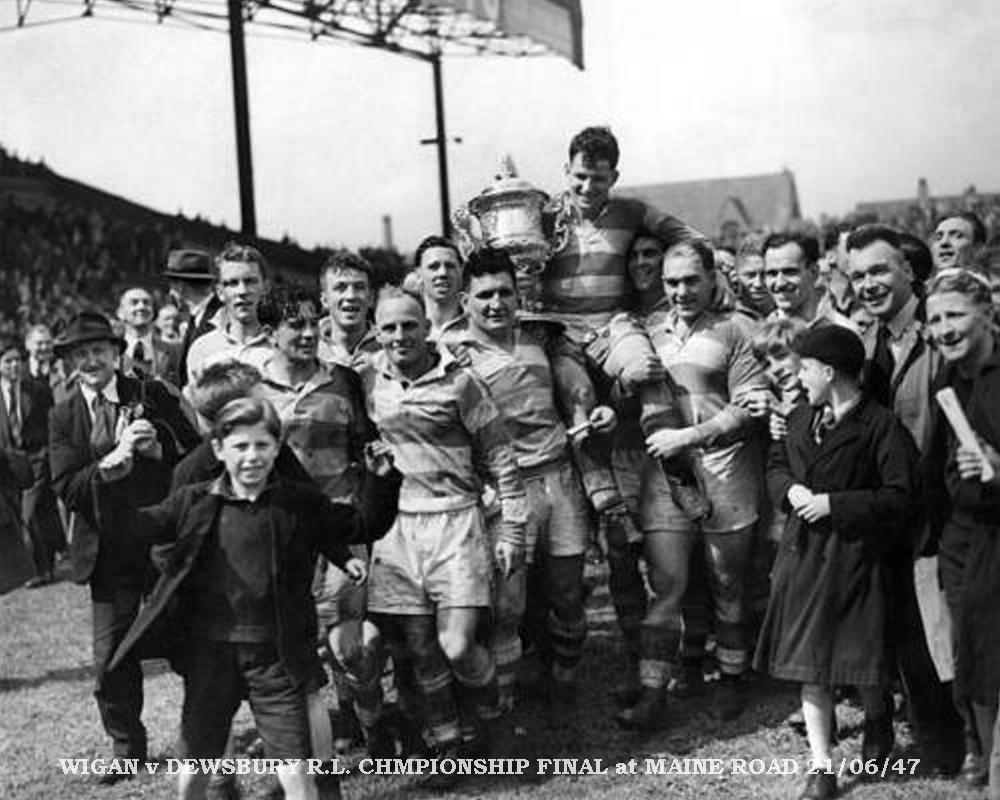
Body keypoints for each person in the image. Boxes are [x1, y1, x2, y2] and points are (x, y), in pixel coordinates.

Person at [110, 397, 369, 800]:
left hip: (275, 657)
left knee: (297, 770)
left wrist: (384, 481)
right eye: (240, 447)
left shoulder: (295, 501)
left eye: (262, 446)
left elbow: (352, 525)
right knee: (196, 765)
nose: (252, 457)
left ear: (277, 448)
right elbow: (134, 527)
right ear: (218, 449)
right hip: (211, 655)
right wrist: (116, 480)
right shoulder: (194, 498)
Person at [439, 248, 617, 709]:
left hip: (559, 479)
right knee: (508, 607)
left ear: (519, 297)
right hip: (504, 491)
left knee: (568, 595)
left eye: (505, 293)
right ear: (464, 300)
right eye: (484, 296)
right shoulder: (453, 355)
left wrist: (594, 413)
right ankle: (505, 705)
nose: (496, 303)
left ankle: (564, 683)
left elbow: (576, 394)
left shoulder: (540, 337)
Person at [359, 286, 527, 771]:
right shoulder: (369, 380)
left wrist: (511, 528)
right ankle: (447, 743)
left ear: (426, 326)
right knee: (418, 646)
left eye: (409, 324)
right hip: (396, 525)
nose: (399, 336)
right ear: (376, 331)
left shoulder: (461, 381)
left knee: (457, 644)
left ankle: (495, 716)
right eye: (388, 327)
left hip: (456, 519)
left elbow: (499, 454)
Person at [755, 325, 920, 800]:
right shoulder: (800, 417)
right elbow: (776, 464)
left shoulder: (880, 426)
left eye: (804, 367)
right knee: (812, 667)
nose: (797, 376)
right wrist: (790, 490)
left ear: (828, 372)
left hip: (855, 560)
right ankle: (822, 768)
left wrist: (835, 505)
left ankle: (877, 719)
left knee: (860, 662)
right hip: (804, 559)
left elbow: (899, 495)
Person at [619, 239, 769, 729]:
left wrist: (691, 434)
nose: (680, 291)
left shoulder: (736, 329)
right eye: (670, 282)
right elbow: (627, 394)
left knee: (727, 583)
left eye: (690, 280)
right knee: (666, 586)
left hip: (727, 472)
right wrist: (620, 388)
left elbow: (750, 405)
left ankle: (730, 677)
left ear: (711, 279)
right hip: (667, 477)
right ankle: (652, 691)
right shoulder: (649, 330)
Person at [48, 311, 199, 780]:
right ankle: (127, 750)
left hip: (160, 542)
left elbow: (194, 456)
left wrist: (158, 451)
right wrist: (105, 469)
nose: (90, 360)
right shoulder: (63, 413)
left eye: (98, 350)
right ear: (71, 362)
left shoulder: (150, 394)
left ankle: (202, 740)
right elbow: (65, 485)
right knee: (109, 657)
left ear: (116, 354)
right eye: (81, 353)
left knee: (189, 644)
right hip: (107, 553)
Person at [846, 223, 965, 774]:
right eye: (858, 275)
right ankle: (938, 744)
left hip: (949, 511)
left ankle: (971, 740)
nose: (868, 284)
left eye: (878, 270)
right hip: (890, 516)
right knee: (906, 635)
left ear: (908, 270)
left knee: (958, 632)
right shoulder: (864, 345)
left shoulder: (941, 333)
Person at [256, 284, 392, 756]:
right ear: (270, 333)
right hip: (283, 537)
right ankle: (328, 730)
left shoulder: (342, 380)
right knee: (299, 641)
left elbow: (365, 447)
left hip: (340, 527)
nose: (310, 332)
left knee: (350, 640)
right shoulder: (253, 390)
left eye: (315, 322)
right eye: (296, 324)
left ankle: (371, 725)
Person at [925, 268, 1000, 785]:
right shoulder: (946, 378)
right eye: (935, 319)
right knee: (966, 645)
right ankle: (978, 746)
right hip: (961, 531)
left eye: (955, 315)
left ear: (988, 313)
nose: (944, 329)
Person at [0, 336, 63, 587]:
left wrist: (47, 455)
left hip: (35, 459)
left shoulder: (37, 390)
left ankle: (43, 568)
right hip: (6, 464)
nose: (14, 366)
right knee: (18, 515)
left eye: (17, 360)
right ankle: (29, 565)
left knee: (32, 511)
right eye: (8, 362)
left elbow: (51, 425)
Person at [185, 243, 271, 385]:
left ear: (266, 288)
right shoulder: (202, 349)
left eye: (250, 281)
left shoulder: (285, 346)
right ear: (220, 292)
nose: (242, 291)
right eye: (232, 283)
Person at [763, 232, 856, 330]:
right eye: (772, 274)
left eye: (789, 272)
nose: (780, 283)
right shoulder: (760, 337)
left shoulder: (843, 332)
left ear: (814, 272)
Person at [163, 248, 225, 388]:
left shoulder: (219, 318)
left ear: (180, 287)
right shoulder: (196, 319)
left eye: (171, 286)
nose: (170, 292)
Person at [317, 250, 380, 369]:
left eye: (359, 287)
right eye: (340, 287)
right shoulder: (308, 348)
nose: (351, 296)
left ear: (371, 298)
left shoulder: (388, 345)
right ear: (325, 300)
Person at [117, 285, 183, 386]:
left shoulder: (176, 351)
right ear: (120, 313)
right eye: (134, 303)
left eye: (146, 303)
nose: (141, 307)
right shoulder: (111, 352)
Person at [412, 235, 466, 340]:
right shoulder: (407, 330)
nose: (443, 273)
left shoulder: (480, 328)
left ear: (461, 271)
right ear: (418, 275)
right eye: (434, 267)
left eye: (450, 266)